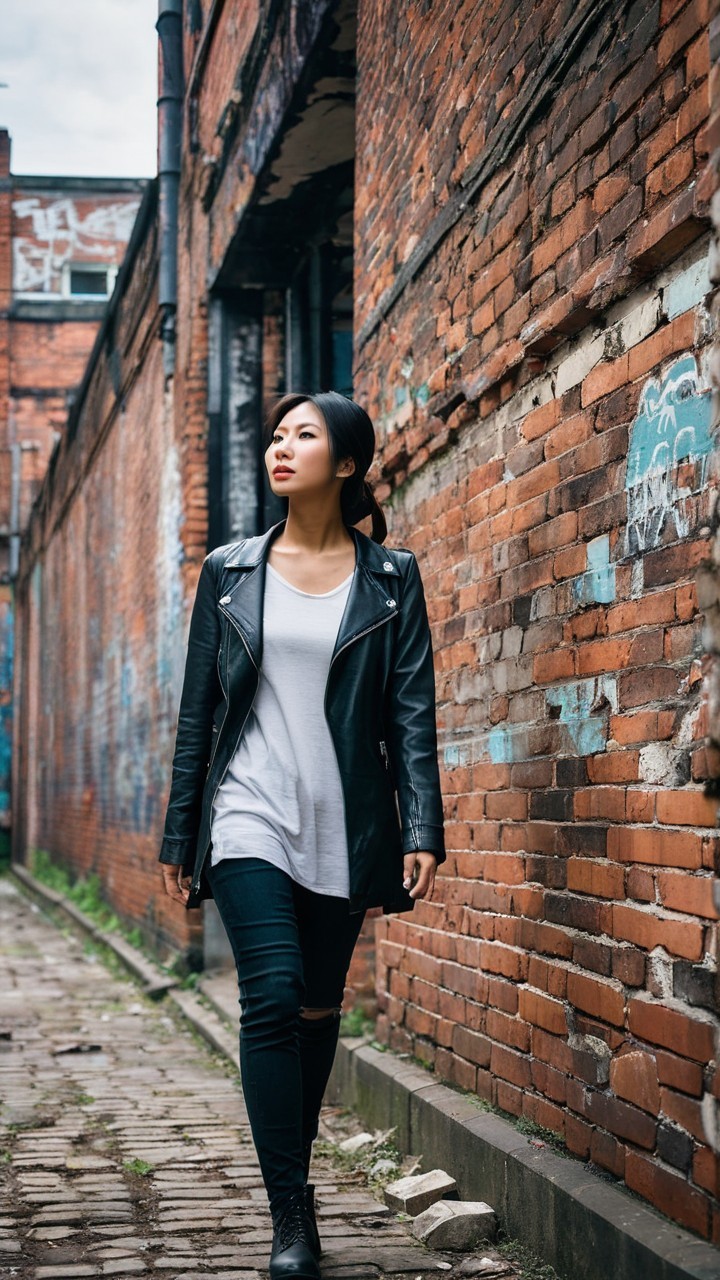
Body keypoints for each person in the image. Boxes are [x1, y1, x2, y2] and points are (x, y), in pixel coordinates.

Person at [159, 390, 445, 1279]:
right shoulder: (230, 570)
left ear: (348, 463)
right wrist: (182, 831)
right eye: (277, 436)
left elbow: (411, 713)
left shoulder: (393, 577)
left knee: (319, 1006)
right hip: (248, 811)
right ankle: (292, 1211)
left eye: (303, 437)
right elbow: (198, 711)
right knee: (274, 992)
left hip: (344, 820)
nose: (281, 449)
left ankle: (293, 1160)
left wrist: (422, 821)